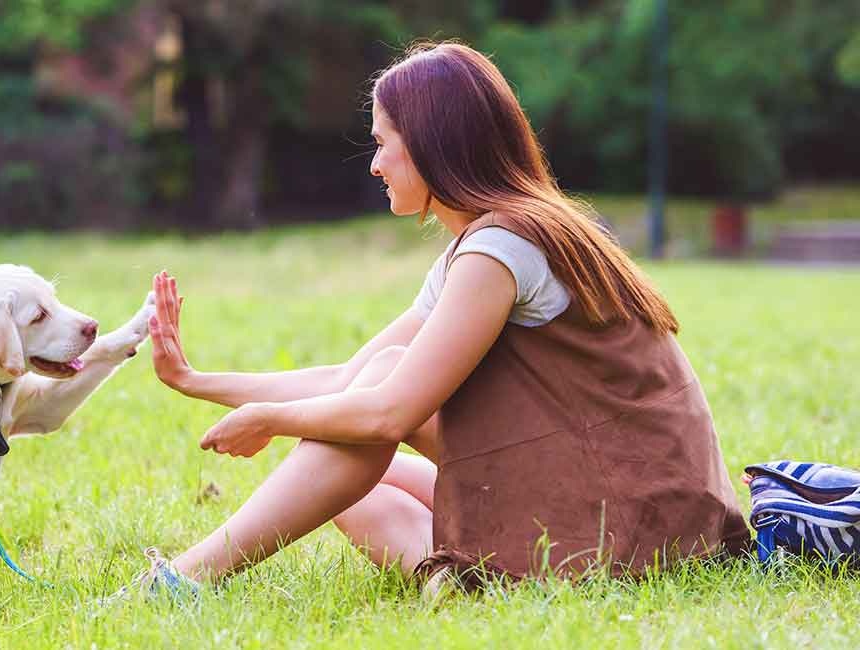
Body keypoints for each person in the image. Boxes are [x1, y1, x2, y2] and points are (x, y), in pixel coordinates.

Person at [126, 41, 749, 596]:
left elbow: (388, 410)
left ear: (429, 144)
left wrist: (273, 418)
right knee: (349, 488)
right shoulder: (487, 240)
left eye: (381, 144)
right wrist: (195, 380)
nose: (374, 166)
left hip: (645, 523)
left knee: (359, 422)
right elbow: (354, 376)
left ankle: (181, 580)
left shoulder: (504, 246)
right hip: (632, 500)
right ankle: (464, 578)